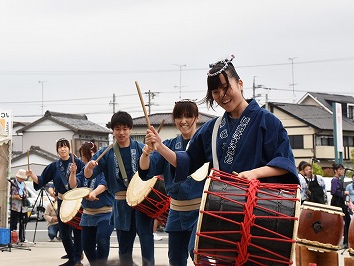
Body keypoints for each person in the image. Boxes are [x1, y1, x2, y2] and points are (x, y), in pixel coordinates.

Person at [144, 55, 298, 185]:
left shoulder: (268, 121)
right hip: (222, 209)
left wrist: (254, 173)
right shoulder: (212, 128)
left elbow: (285, 163)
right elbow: (188, 160)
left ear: (240, 84)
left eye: (226, 87)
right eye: (216, 91)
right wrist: (159, 146)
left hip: (259, 206)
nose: (222, 95)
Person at [84, 111, 155, 266]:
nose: (121, 132)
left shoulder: (142, 148)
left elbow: (155, 174)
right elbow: (88, 175)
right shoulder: (106, 152)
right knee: (124, 248)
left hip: (142, 202)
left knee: (147, 242)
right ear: (113, 130)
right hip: (121, 204)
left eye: (125, 128)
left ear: (130, 129)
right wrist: (89, 167)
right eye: (117, 129)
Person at [139, 100, 205, 265]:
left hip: (200, 212)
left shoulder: (205, 145)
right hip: (176, 211)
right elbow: (146, 170)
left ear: (196, 118)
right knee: (175, 259)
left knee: (197, 254)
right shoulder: (168, 145)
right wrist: (146, 153)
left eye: (188, 116)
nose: (183, 121)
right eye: (179, 116)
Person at [26, 138, 85, 266]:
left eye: (65, 146)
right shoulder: (53, 166)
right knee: (64, 233)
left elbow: (87, 177)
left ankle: (77, 258)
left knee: (78, 230)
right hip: (62, 201)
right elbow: (41, 180)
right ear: (57, 150)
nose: (63, 149)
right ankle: (72, 258)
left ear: (69, 148)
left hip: (76, 201)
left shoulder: (78, 163)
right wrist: (32, 176)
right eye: (60, 147)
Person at [69, 141, 114, 266]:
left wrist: (94, 193)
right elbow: (73, 185)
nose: (85, 159)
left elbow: (104, 184)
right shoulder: (83, 170)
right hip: (88, 214)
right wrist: (72, 173)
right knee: (87, 246)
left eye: (87, 155)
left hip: (105, 213)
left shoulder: (103, 167)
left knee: (102, 240)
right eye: (83, 156)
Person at [330, 163, 350, 248]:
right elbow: (333, 191)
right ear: (336, 170)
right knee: (344, 220)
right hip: (337, 202)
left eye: (342, 169)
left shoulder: (338, 180)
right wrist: (343, 193)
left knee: (345, 220)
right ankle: (344, 241)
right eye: (340, 169)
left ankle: (346, 240)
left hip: (340, 201)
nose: (342, 171)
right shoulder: (335, 180)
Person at [10, 169, 30, 243]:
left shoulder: (24, 184)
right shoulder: (12, 183)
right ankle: (13, 238)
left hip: (23, 206)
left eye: (23, 178)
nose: (22, 179)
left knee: (23, 222)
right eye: (21, 178)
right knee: (14, 222)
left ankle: (22, 238)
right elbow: (8, 195)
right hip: (15, 206)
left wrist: (24, 196)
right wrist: (15, 196)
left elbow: (27, 193)